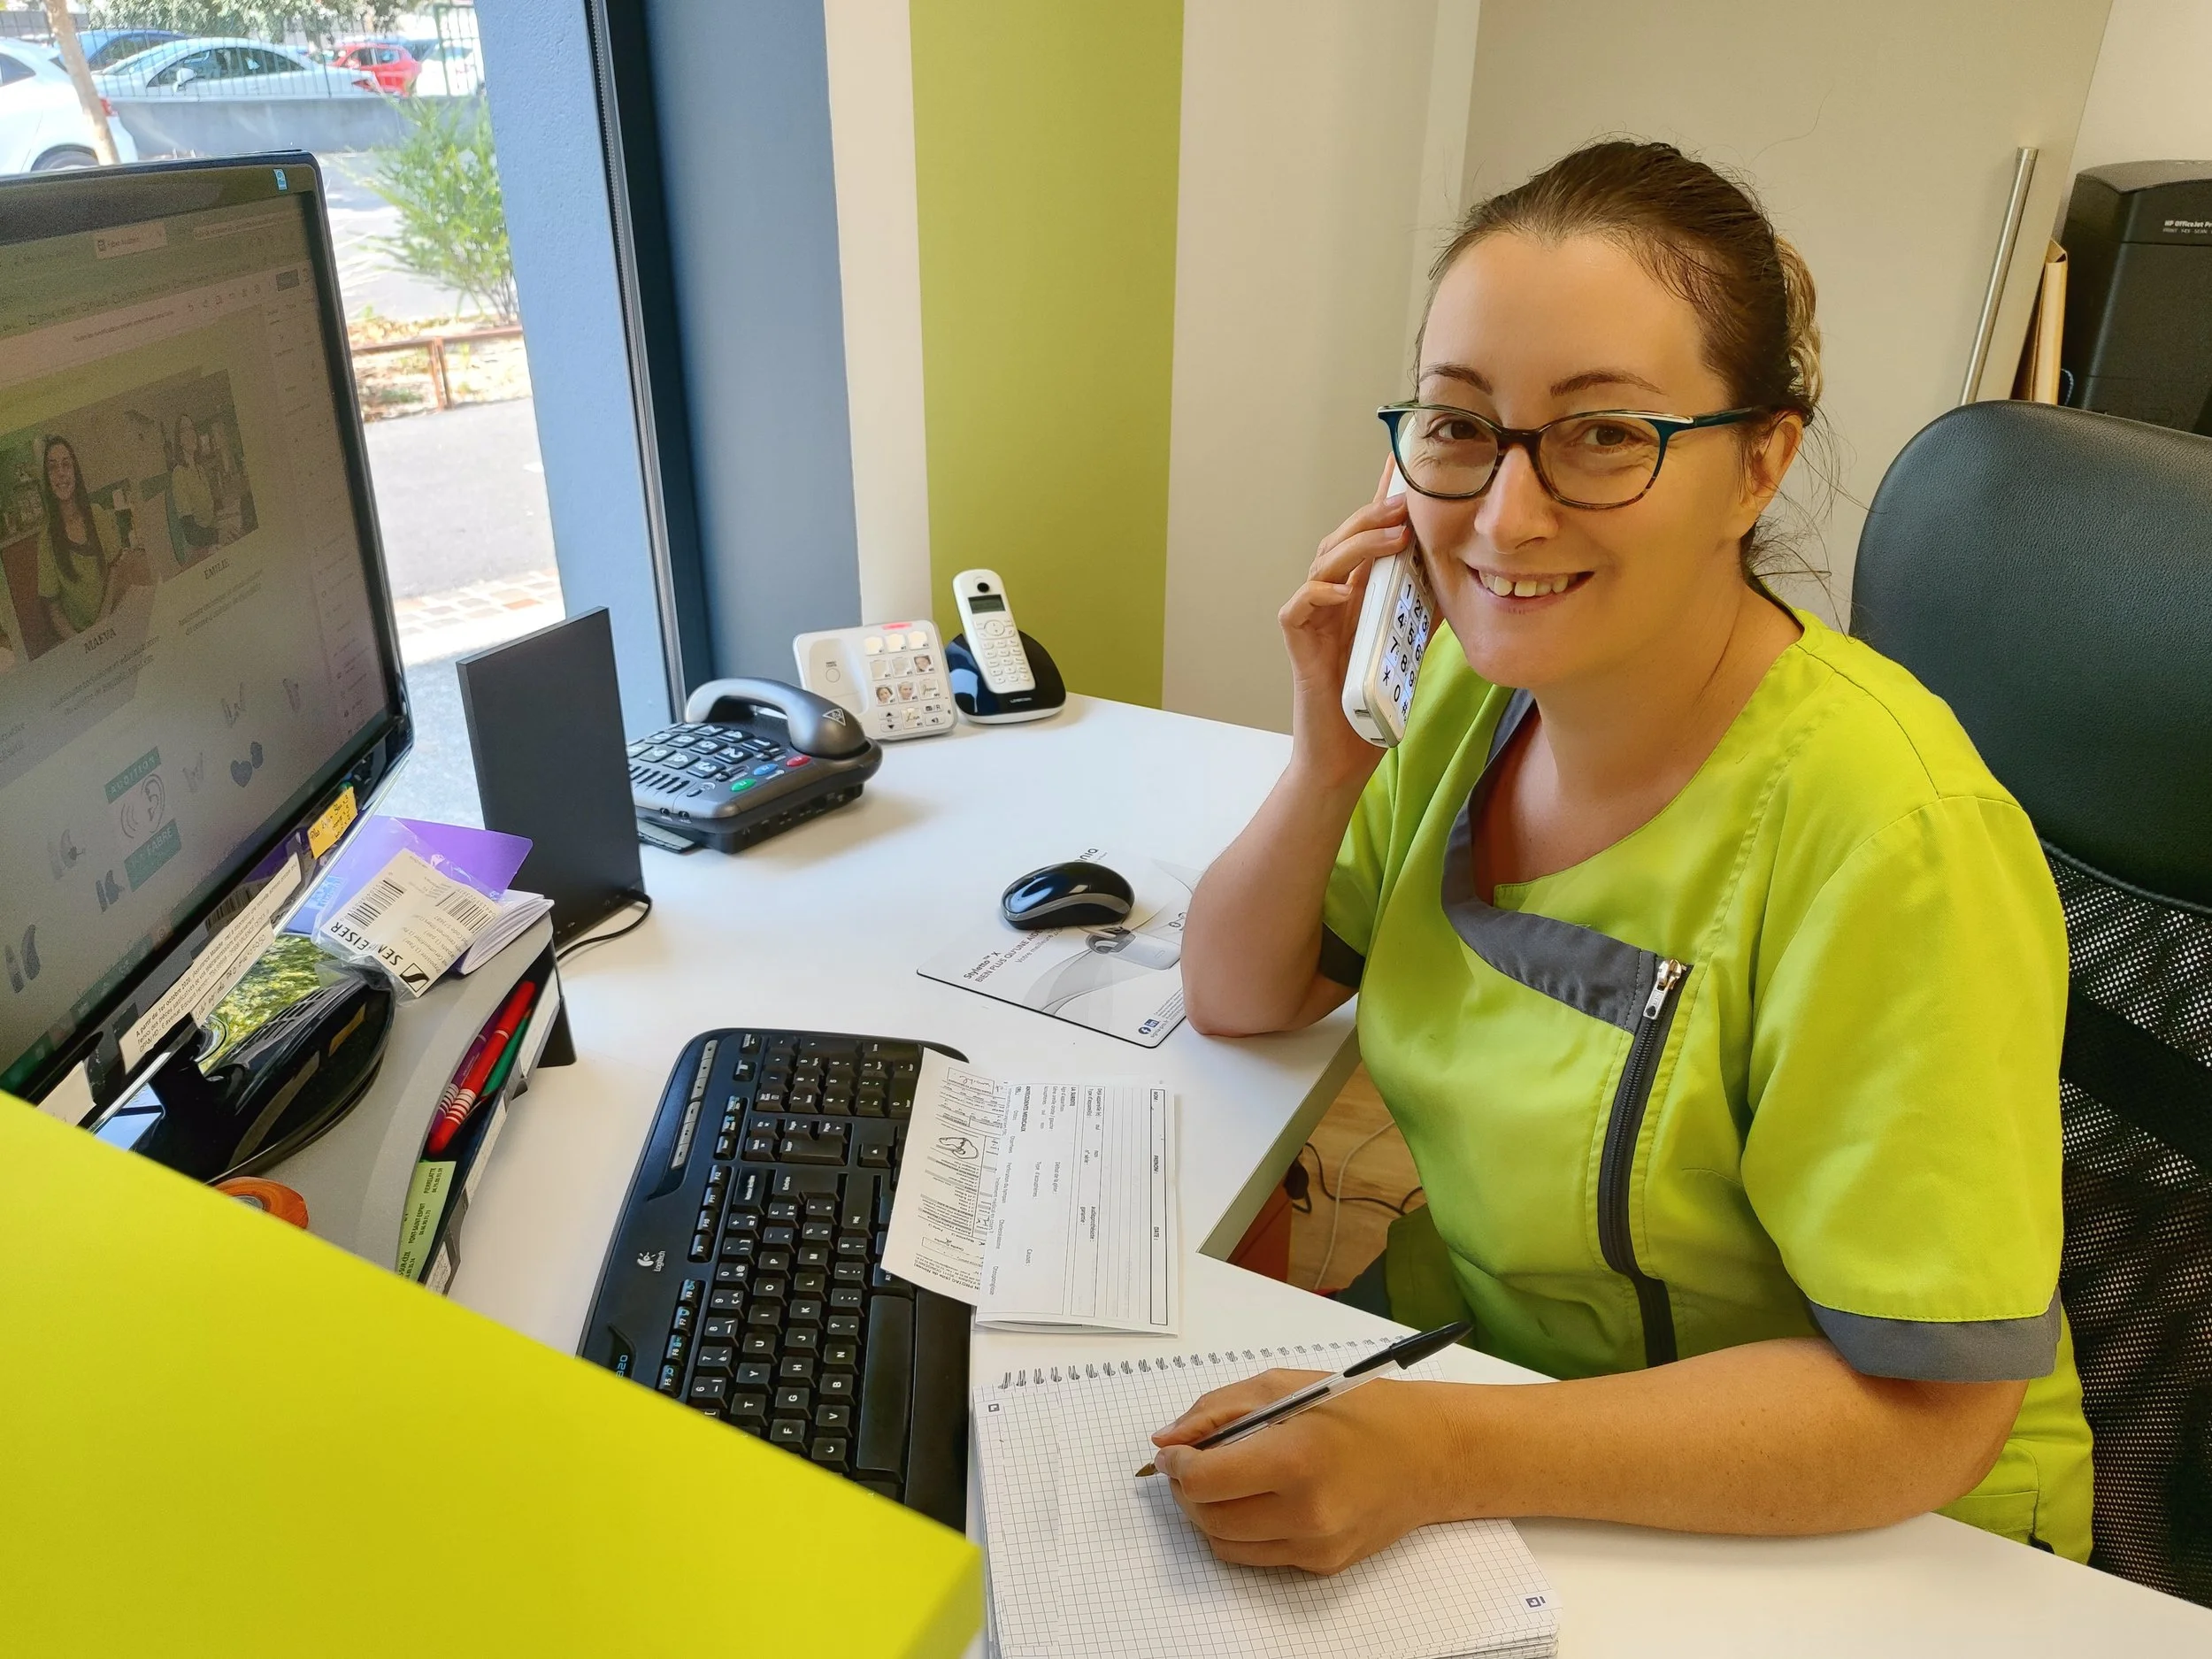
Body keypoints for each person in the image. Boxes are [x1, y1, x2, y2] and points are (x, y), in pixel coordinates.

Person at [1170, 140, 2090, 1572]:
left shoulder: (1892, 838)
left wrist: (1434, 1450)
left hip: (1838, 1517)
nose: (1504, 516)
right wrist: (1327, 757)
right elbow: (1238, 989)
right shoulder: (1470, 694)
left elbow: (1931, 1412)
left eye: (1605, 435)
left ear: (1758, 466)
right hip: (1503, 1387)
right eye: (1461, 428)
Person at [36, 435, 123, 642]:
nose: (61, 473)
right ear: (47, 479)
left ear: (75, 472)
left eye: (66, 464)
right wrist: (83, 642)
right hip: (77, 636)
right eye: (52, 467)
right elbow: (54, 608)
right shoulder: (46, 539)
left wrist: (104, 621)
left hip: (112, 618)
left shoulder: (97, 515)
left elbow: (114, 568)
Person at [170, 412, 219, 555]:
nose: (191, 434)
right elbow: (192, 534)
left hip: (212, 536)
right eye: (185, 430)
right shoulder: (179, 474)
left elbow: (209, 513)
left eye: (192, 428)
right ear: (178, 441)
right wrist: (218, 534)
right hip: (201, 547)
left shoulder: (200, 469)